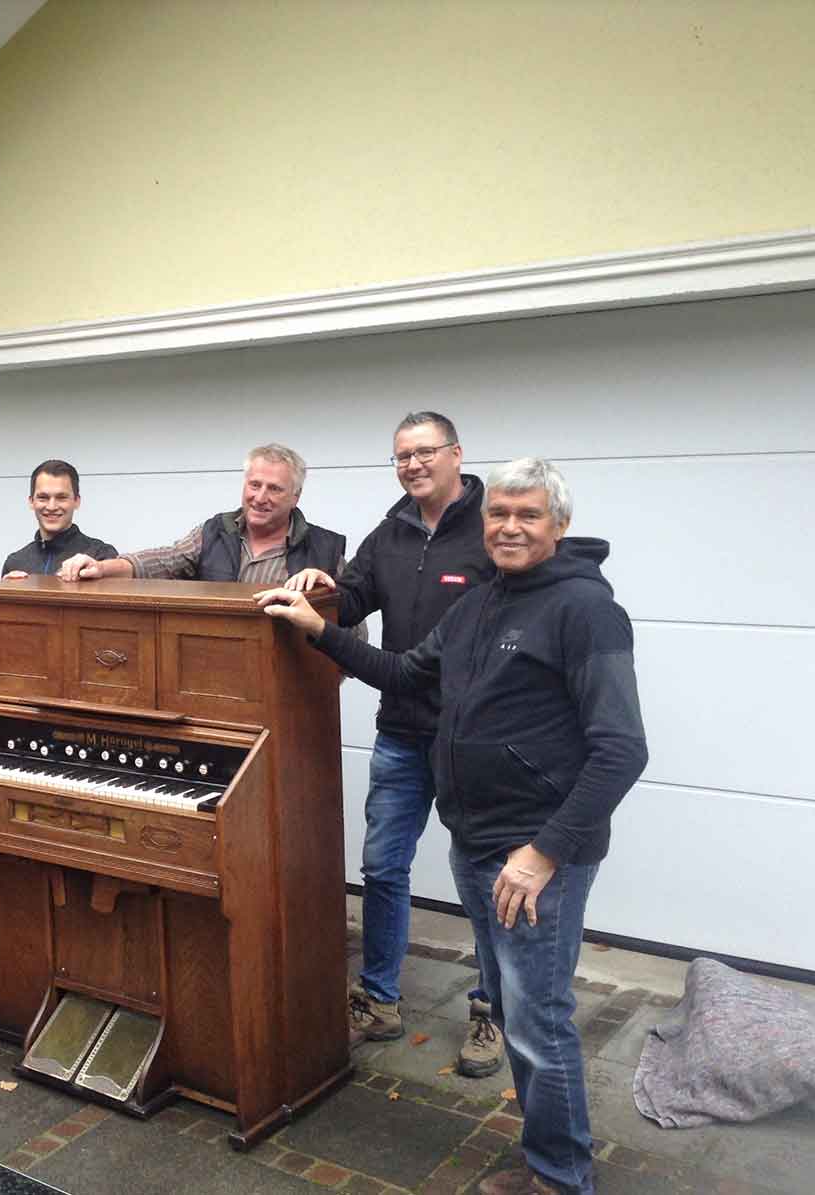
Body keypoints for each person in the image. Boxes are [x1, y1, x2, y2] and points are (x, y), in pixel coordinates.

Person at [256, 458, 648, 1195]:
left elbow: (622, 748)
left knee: (538, 1019)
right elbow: (406, 673)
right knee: (512, 1007)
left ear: (559, 525)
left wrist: (542, 853)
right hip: (477, 844)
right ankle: (548, 1159)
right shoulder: (477, 606)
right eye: (499, 513)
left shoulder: (585, 611)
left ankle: (562, 1178)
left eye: (528, 515)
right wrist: (318, 631)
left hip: (533, 856)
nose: (509, 527)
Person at [286, 412, 502, 1075]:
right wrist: (324, 587)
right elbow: (353, 599)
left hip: (471, 739)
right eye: (402, 456)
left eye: (424, 451)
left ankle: (493, 1009)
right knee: (382, 867)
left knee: (485, 879)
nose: (412, 464)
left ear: (456, 454)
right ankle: (379, 998)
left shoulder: (491, 531)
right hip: (402, 734)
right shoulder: (390, 532)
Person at [58, 443, 345, 584]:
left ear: (296, 497)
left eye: (274, 489)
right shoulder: (215, 531)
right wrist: (102, 568)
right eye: (254, 485)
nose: (260, 498)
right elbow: (163, 560)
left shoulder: (325, 551)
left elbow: (350, 631)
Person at [1, 459, 118, 578]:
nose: (51, 507)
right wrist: (4, 589)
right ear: (31, 502)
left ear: (77, 501)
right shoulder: (15, 563)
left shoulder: (100, 556)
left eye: (61, 497)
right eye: (43, 497)